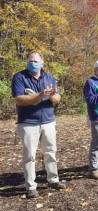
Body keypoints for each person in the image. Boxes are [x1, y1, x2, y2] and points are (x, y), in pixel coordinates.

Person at [11, 52, 66, 199]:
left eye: (36, 61)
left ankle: (53, 180)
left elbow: (57, 98)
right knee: (29, 156)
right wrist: (40, 95)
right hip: (28, 122)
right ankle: (31, 187)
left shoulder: (49, 77)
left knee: (50, 152)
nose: (33, 63)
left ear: (42, 62)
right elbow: (19, 99)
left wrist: (52, 96)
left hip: (48, 121)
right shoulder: (20, 77)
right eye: (30, 61)